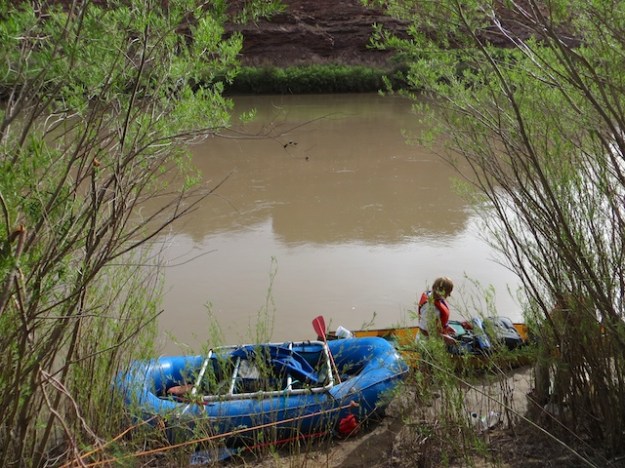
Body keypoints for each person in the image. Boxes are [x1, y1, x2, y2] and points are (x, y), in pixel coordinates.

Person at [417, 276, 457, 346]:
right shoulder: (430, 308)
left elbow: (437, 321)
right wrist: (445, 338)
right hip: (426, 344)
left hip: (435, 337)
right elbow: (424, 331)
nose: (449, 295)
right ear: (441, 292)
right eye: (448, 293)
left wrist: (446, 327)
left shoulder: (434, 297)